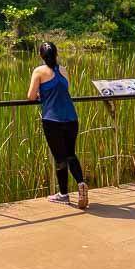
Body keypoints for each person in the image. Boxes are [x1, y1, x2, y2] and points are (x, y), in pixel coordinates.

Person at [27, 41, 88, 209]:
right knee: (70, 154)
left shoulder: (39, 71)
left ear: (40, 56)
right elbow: (65, 90)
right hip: (71, 117)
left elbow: (31, 96)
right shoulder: (63, 70)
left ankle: (63, 194)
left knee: (60, 159)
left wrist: (41, 94)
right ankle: (81, 182)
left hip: (52, 120)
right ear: (56, 54)